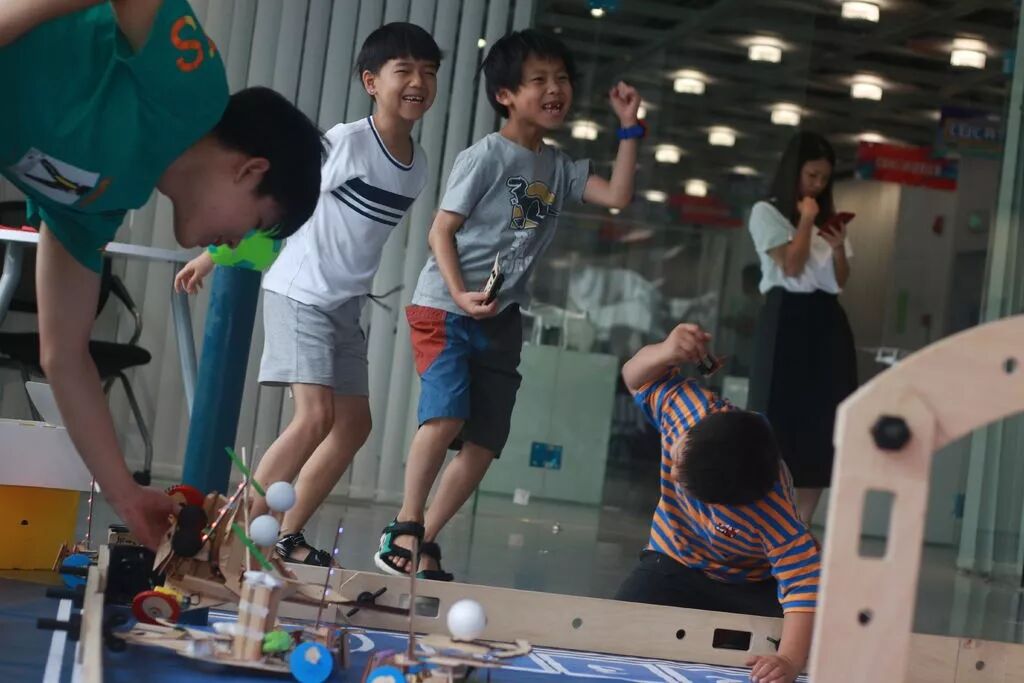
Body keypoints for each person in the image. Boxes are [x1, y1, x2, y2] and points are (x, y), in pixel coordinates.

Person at [0, 0, 325, 550]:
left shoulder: (104, 201)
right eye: (255, 225)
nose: (235, 245)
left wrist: (126, 496)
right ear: (249, 170)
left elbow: (65, 355)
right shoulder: (194, 95)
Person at [374, 29, 641, 580]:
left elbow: (617, 195)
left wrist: (629, 127)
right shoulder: (486, 156)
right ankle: (404, 524)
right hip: (445, 308)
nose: (555, 89)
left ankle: (425, 541)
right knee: (446, 415)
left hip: (502, 316)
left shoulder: (559, 167)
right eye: (539, 80)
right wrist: (458, 293)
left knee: (486, 440)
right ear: (505, 95)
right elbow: (440, 231)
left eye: (562, 79)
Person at [174, 23, 442, 565]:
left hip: (345, 305)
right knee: (315, 417)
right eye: (404, 70)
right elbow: (283, 201)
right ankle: (235, 537)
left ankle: (287, 535)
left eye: (429, 72)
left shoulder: (416, 166)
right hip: (302, 294)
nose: (418, 82)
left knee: (354, 425)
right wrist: (214, 254)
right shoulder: (348, 143)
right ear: (371, 81)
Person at [615, 323, 819, 683]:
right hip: (673, 559)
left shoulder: (773, 513)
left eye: (685, 484)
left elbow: (803, 584)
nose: (673, 473)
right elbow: (634, 376)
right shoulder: (688, 412)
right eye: (679, 459)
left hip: (749, 584)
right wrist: (665, 351)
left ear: (733, 503)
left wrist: (788, 659)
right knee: (615, 628)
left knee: (802, 642)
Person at [747, 131, 857, 523]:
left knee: (822, 421)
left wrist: (839, 245)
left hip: (826, 319)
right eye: (811, 175)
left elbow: (840, 281)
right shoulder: (766, 213)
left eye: (824, 178)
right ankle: (764, 520)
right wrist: (806, 220)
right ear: (794, 171)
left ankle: (802, 523)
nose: (817, 185)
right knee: (778, 417)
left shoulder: (827, 218)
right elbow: (791, 266)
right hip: (786, 316)